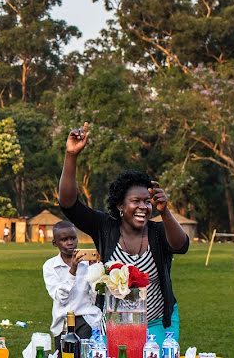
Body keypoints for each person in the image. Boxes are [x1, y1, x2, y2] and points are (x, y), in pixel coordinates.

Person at [58, 123, 189, 342]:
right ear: (120, 205)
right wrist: (71, 155)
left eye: (147, 202)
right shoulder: (105, 228)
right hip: (114, 321)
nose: (143, 207)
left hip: (156, 322)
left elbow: (181, 245)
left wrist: (164, 211)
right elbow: (68, 203)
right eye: (135, 201)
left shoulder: (157, 232)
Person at [43, 221, 102, 352]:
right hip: (63, 322)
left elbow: (95, 296)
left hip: (87, 318)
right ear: (55, 243)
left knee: (85, 354)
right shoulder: (50, 266)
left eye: (73, 238)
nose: (70, 242)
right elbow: (60, 297)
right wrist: (73, 270)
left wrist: (94, 271)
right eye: (64, 239)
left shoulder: (87, 263)